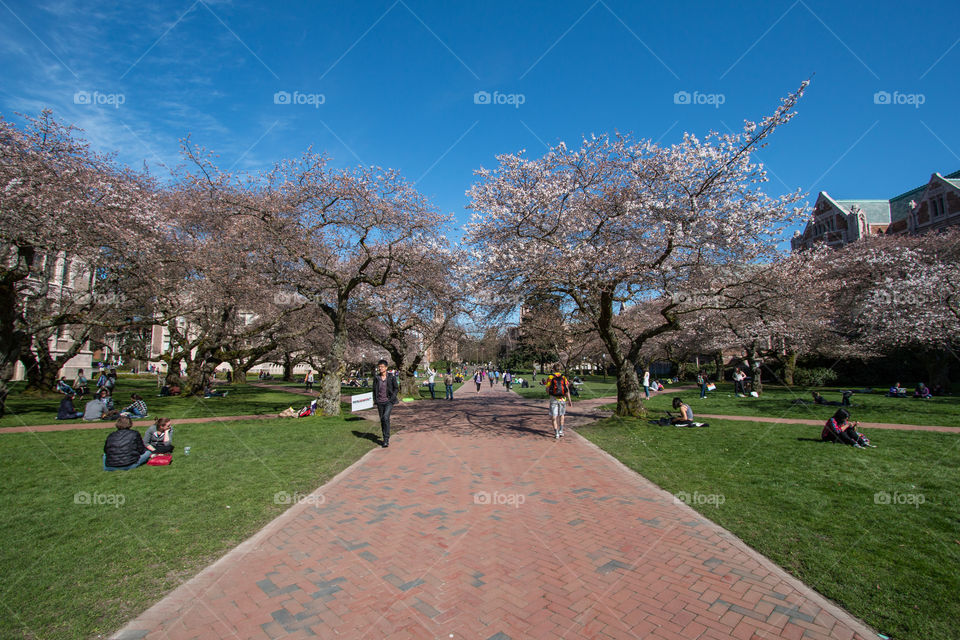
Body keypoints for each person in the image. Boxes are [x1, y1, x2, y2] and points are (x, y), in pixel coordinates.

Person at [372, 359, 399, 447]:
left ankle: (386, 439)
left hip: (388, 401)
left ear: (386, 368)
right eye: (379, 366)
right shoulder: (376, 378)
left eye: (382, 366)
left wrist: (392, 398)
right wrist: (375, 399)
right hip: (380, 401)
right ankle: (384, 437)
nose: (380, 368)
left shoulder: (391, 377)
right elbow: (374, 389)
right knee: (382, 420)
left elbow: (396, 388)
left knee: (385, 417)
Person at [545, 365, 572, 439]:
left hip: (553, 399)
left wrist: (550, 393)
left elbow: (547, 389)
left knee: (554, 416)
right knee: (562, 415)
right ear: (560, 369)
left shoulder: (550, 377)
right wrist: (569, 400)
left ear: (553, 369)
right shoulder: (564, 377)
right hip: (562, 399)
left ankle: (556, 432)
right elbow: (567, 389)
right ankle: (561, 430)